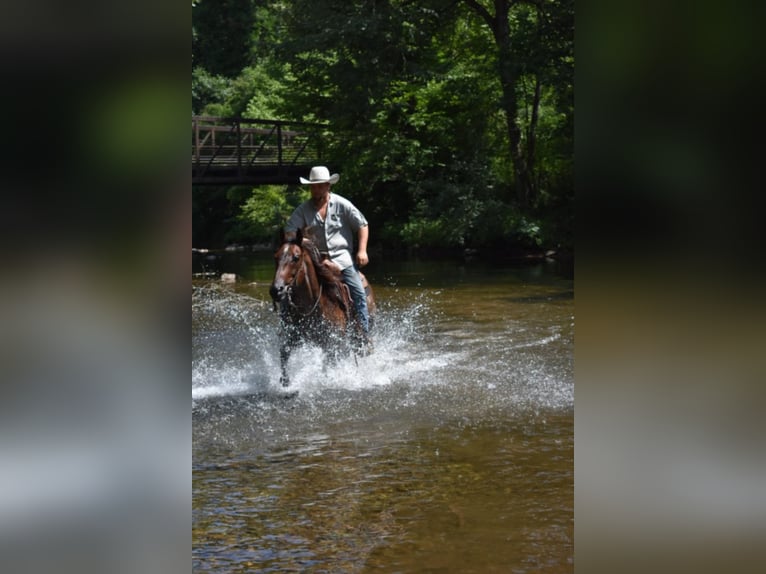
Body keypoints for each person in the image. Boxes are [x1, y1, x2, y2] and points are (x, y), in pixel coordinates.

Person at [284, 166, 371, 349]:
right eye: (312, 186)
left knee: (358, 292)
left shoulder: (342, 204)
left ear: (327, 186)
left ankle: (363, 335)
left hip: (342, 259)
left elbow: (362, 224)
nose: (315, 190)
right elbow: (290, 231)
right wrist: (304, 241)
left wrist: (362, 251)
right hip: (316, 261)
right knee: (288, 291)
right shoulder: (303, 209)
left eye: (319, 186)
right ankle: (288, 334)